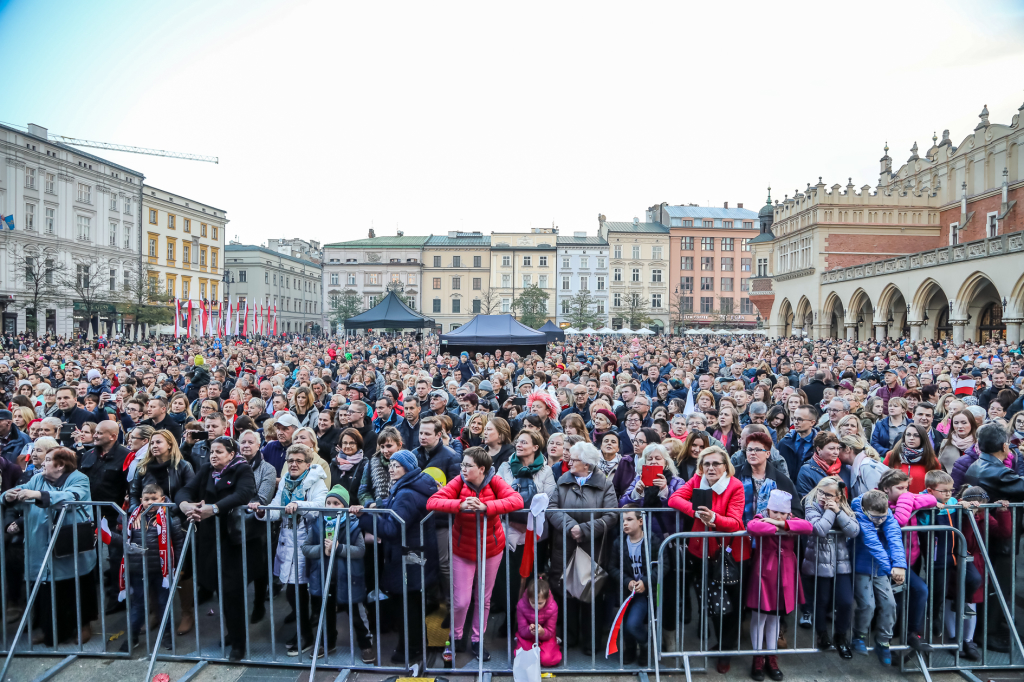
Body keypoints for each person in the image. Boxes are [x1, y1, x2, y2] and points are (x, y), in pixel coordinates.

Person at [427, 446, 524, 661]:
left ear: (482, 469)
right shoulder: (459, 482)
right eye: (462, 464)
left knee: (484, 598)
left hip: (491, 549)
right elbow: (432, 502)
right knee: (461, 600)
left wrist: (486, 506)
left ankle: (477, 640)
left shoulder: (495, 481)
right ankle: (456, 637)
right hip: (463, 550)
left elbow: (517, 500)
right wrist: (459, 504)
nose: (462, 468)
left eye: (468, 465)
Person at [2, 447, 98, 646]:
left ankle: (83, 626)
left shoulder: (79, 478)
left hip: (69, 542)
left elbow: (72, 497)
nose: (43, 463)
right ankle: (51, 632)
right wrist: (9, 496)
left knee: (76, 585)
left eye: (47, 459)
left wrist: (37, 494)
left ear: (61, 465)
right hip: (40, 541)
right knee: (47, 590)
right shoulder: (38, 479)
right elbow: (22, 496)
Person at [353, 449, 439, 663]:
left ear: (408, 468)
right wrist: (379, 506)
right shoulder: (411, 486)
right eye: (390, 465)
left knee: (408, 606)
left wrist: (364, 518)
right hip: (414, 554)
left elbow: (393, 528)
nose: (391, 469)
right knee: (413, 603)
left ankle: (410, 650)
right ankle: (415, 646)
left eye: (396, 465)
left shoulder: (406, 493)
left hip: (408, 556)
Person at [175, 436, 256, 661]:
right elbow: (185, 491)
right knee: (220, 590)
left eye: (219, 452)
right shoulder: (206, 470)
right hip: (210, 540)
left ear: (231, 454)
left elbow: (243, 494)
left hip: (232, 540)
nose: (213, 455)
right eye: (212, 451)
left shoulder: (242, 470)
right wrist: (185, 505)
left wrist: (215, 508)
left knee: (233, 592)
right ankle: (232, 632)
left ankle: (239, 644)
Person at [668, 446, 747, 674]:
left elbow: (735, 523)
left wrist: (714, 518)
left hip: (728, 555)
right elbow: (674, 499)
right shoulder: (696, 480)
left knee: (731, 607)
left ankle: (726, 650)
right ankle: (721, 645)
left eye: (716, 464)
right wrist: (695, 512)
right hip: (701, 554)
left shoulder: (735, 486)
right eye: (706, 464)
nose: (711, 468)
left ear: (725, 466)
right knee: (714, 603)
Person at [252, 443, 328, 656]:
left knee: (300, 592)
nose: (294, 464)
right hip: (287, 540)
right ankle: (302, 631)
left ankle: (307, 635)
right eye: (290, 460)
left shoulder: (316, 481)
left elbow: (320, 504)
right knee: (293, 592)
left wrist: (299, 505)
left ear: (308, 463)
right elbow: (276, 510)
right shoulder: (285, 482)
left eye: (299, 461)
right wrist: (261, 511)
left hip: (305, 540)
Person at [548, 441, 618, 656]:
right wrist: (571, 527)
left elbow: (612, 515)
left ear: (587, 464)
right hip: (565, 546)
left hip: (592, 548)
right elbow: (551, 508)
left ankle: (591, 643)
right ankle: (569, 638)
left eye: (575, 459)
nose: (569, 460)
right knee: (566, 595)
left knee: (591, 596)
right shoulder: (563, 480)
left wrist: (586, 530)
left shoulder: (604, 484)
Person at [963, 423, 1024, 652]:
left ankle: (987, 631)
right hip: (999, 540)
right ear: (1005, 446)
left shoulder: (978, 466)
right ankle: (989, 634)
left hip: (989, 536)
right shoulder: (996, 472)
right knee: (999, 588)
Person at [745, 489, 813, 682]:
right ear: (768, 509)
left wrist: (778, 523)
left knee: (775, 617)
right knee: (760, 616)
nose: (779, 515)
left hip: (785, 572)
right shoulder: (760, 518)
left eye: (783, 513)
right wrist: (782, 527)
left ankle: (771, 657)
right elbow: (753, 527)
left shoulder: (790, 520)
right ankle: (758, 657)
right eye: (775, 512)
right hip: (764, 572)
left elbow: (808, 527)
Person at [301, 485, 373, 663]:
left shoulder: (354, 525)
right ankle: (327, 642)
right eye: (328, 502)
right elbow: (306, 548)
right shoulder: (318, 523)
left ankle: (366, 644)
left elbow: (360, 550)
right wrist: (322, 550)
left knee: (356, 615)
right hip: (324, 577)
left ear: (345, 506)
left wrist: (338, 548)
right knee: (325, 613)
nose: (331, 506)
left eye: (337, 503)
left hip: (348, 578)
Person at [119, 482, 185, 652]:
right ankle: (132, 637)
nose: (150, 503)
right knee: (138, 605)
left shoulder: (170, 518)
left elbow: (178, 543)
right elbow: (121, 530)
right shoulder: (133, 516)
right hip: (137, 568)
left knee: (165, 603)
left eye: (154, 499)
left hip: (161, 570)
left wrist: (177, 566)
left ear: (162, 499)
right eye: (146, 499)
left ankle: (167, 636)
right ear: (141, 500)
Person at [801, 476, 859, 658]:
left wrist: (839, 512)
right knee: (822, 600)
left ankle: (841, 636)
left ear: (838, 497)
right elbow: (819, 529)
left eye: (829, 495)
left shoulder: (843, 507)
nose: (823, 497)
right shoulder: (810, 505)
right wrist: (831, 512)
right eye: (821, 492)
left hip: (841, 562)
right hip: (818, 561)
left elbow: (854, 530)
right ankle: (822, 634)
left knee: (846, 601)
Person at [496, 430, 557, 605]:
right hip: (508, 530)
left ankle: (525, 615)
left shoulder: (545, 471)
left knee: (530, 576)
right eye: (518, 442)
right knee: (508, 577)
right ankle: (509, 615)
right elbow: (497, 492)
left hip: (534, 534)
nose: (519, 445)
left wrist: (530, 521)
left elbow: (549, 498)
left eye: (524, 442)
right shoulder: (505, 467)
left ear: (535, 447)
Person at [850, 489, 905, 666]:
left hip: (881, 570)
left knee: (890, 604)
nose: (879, 522)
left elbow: (895, 538)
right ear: (865, 510)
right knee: (867, 605)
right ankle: (858, 635)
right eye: (875, 518)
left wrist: (899, 565)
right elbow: (872, 543)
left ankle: (883, 641)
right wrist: (892, 569)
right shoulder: (859, 514)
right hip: (862, 567)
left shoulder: (887, 515)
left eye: (882, 518)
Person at [606, 505, 658, 666]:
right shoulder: (619, 543)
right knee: (624, 624)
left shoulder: (652, 540)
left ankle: (644, 646)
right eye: (623, 521)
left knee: (632, 624)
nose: (625, 524)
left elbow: (662, 565)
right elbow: (612, 567)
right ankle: (629, 649)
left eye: (629, 519)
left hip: (644, 593)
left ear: (640, 521)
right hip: (625, 592)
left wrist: (646, 582)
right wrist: (627, 581)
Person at [238, 428, 277, 624]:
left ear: (258, 445)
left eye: (250, 442)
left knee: (259, 569)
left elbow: (263, 498)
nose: (246, 445)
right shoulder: (231, 465)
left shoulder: (267, 469)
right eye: (243, 442)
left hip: (257, 526)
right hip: (234, 527)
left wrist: (234, 502)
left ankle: (259, 603)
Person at [515, 577, 561, 667]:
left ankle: (555, 644)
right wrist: (529, 630)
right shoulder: (521, 605)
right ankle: (520, 644)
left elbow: (550, 631)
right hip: (527, 636)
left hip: (546, 636)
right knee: (523, 658)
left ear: (546, 598)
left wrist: (542, 632)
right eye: (532, 602)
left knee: (547, 660)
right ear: (528, 597)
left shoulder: (553, 607)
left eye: (540, 603)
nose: (536, 606)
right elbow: (521, 629)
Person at [884, 424, 940, 493]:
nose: (911, 438)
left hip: (922, 501)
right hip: (896, 501)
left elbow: (937, 485)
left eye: (916, 435)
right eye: (908, 434)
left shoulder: (931, 459)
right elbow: (883, 479)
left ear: (922, 438)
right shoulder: (892, 455)